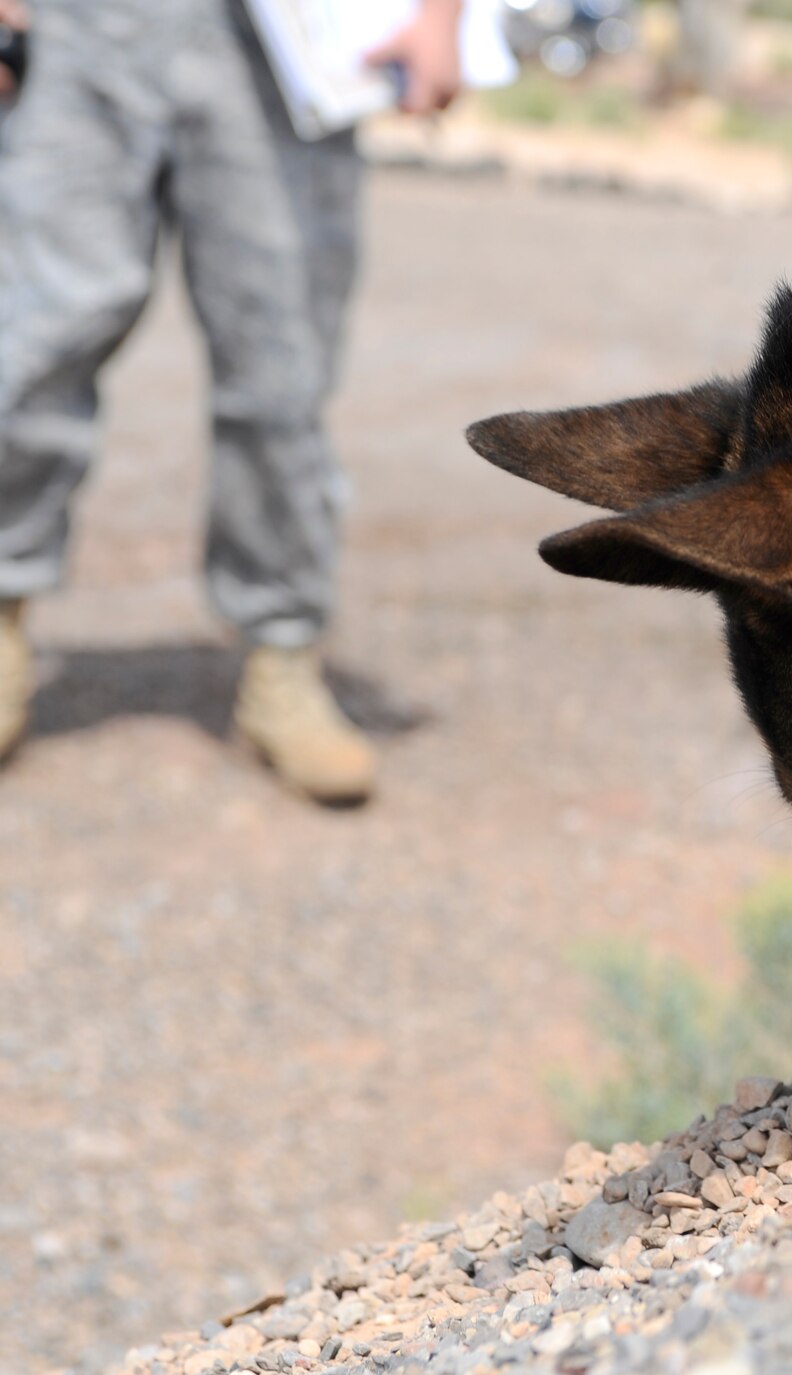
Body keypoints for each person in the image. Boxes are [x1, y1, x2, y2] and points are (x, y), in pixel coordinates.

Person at [0, 0, 464, 803]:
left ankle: (282, 657)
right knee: (32, 347)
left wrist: (440, 15)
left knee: (281, 376)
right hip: (79, 27)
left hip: (289, 43)